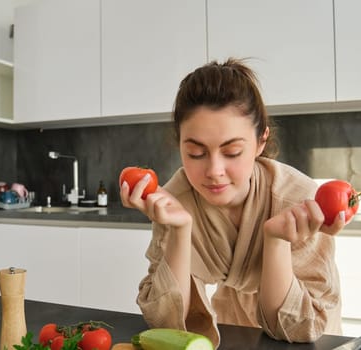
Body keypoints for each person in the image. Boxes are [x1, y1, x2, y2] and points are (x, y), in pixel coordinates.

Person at [120, 58, 346, 346]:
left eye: (233, 151)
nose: (214, 171)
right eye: (196, 153)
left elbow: (301, 329)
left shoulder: (297, 199)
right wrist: (179, 231)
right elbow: (166, 324)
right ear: (180, 145)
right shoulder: (173, 200)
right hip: (233, 324)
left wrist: (276, 240)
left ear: (261, 142)